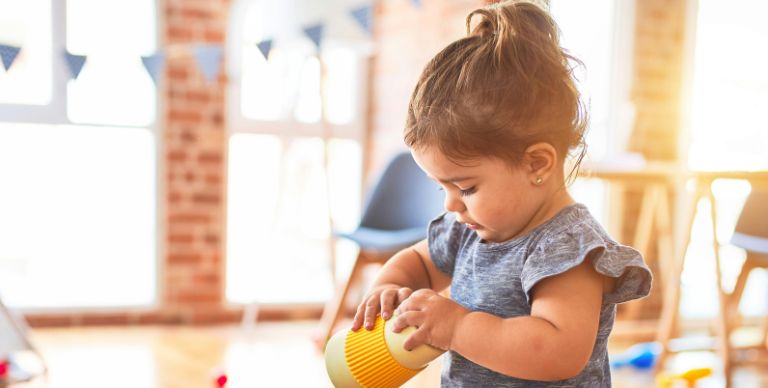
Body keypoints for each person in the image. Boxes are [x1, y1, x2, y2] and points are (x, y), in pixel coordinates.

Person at [350, 1, 652, 386]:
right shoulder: (468, 229)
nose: (450, 204)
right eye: (440, 187)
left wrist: (457, 327)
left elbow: (557, 353)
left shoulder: (566, 248)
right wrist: (388, 288)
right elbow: (418, 263)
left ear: (537, 164)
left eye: (466, 187)